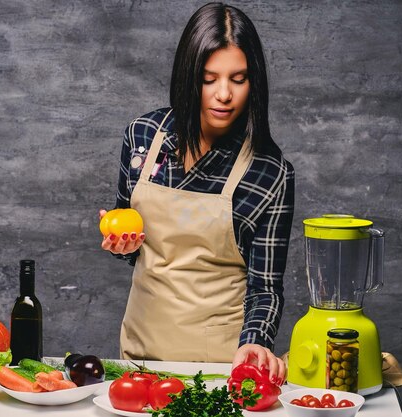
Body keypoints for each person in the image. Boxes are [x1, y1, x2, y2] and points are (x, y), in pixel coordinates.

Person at [100, 2, 293, 385]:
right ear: (189, 76)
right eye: (210, 78)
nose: (224, 94)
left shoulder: (270, 172)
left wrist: (255, 342)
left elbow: (265, 288)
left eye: (238, 79)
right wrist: (124, 245)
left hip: (221, 370)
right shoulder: (142, 137)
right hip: (139, 360)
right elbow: (138, 239)